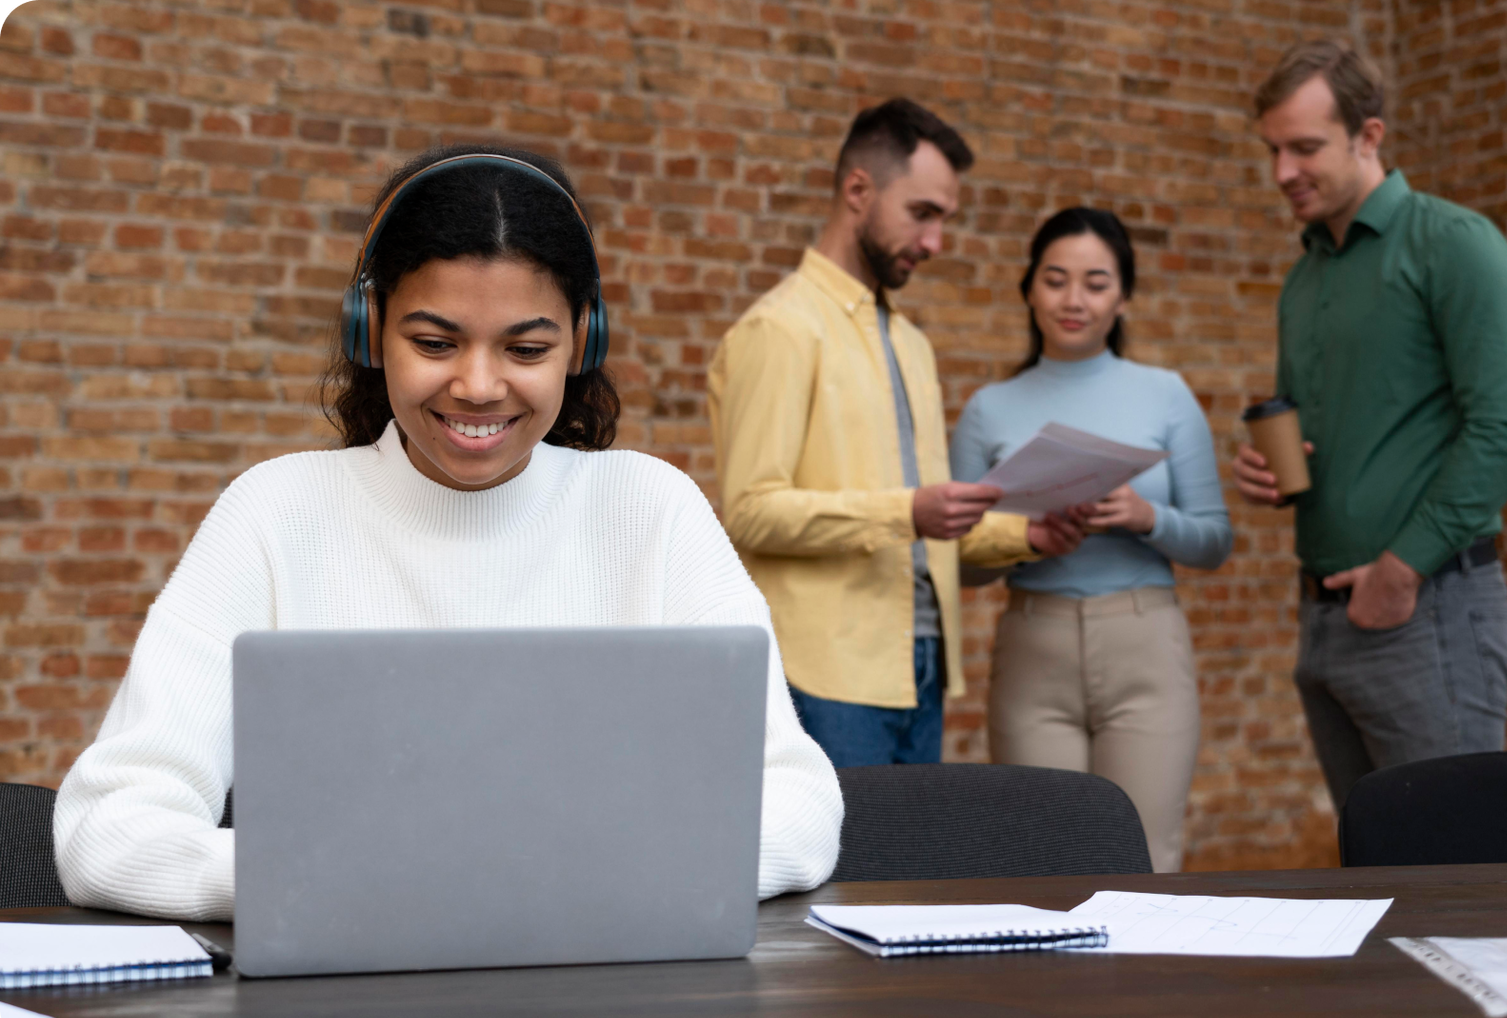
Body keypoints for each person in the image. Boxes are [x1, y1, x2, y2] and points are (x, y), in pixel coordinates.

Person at [53, 145, 843, 921]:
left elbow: (798, 805)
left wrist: (555, 877)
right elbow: (107, 830)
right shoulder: (272, 513)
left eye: (526, 349)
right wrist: (337, 881)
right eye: (434, 343)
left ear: (582, 343)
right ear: (370, 332)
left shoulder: (652, 510)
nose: (477, 385)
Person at [708, 99, 1081, 768]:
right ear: (858, 190)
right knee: (840, 874)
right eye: (922, 214)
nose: (935, 242)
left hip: (922, 668)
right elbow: (751, 512)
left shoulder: (911, 344)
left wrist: (1029, 535)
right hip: (824, 677)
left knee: (910, 873)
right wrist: (909, 511)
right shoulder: (780, 330)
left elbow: (926, 521)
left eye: (944, 219)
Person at [1232, 41, 1507, 811]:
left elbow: (1506, 427)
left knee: (1453, 866)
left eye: (1305, 148)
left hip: (1425, 607)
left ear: (1369, 136)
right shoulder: (1303, 278)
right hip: (1325, 619)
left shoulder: (1456, 247)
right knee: (1374, 870)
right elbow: (1338, 435)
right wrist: (1270, 471)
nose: (1283, 173)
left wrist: (1400, 573)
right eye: (1274, 150)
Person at [950, 207, 1232, 873]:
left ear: (1124, 296)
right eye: (1055, 279)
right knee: (1037, 861)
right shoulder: (989, 408)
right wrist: (1028, 538)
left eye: (1096, 283)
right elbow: (958, 562)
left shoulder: (1166, 396)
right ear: (1028, 289)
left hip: (1146, 647)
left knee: (1145, 857)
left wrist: (1145, 517)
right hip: (1032, 648)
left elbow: (1215, 540)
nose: (1074, 299)